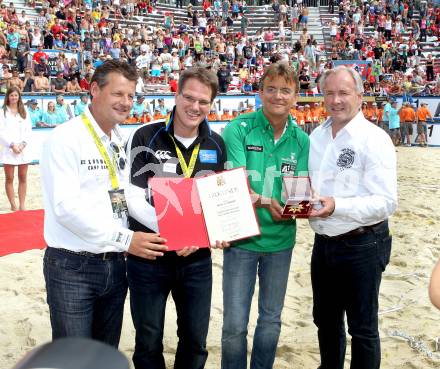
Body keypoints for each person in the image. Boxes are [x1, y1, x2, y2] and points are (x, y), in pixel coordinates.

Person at [40, 60, 166, 348]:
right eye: (118, 94)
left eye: (131, 96)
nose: (126, 103)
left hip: (115, 266)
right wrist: (127, 239)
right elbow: (65, 209)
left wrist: (171, 226)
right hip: (72, 267)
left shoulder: (119, 139)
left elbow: (127, 196)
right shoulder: (65, 138)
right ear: (94, 90)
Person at [125, 66, 228, 369]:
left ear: (212, 104)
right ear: (176, 94)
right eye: (189, 97)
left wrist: (203, 233)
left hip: (196, 259)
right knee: (148, 339)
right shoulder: (145, 135)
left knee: (195, 341)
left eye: (203, 101)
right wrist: (177, 231)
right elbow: (132, 197)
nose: (195, 107)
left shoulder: (216, 144)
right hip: (150, 255)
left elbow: (218, 202)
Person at [221, 61, 310, 369]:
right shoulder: (238, 128)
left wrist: (294, 209)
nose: (278, 96)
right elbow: (233, 185)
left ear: (296, 96)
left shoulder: (301, 140)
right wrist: (264, 199)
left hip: (280, 243)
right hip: (242, 240)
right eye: (271, 89)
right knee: (234, 324)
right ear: (260, 92)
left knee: (270, 320)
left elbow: (299, 196)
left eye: (286, 90)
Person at [308, 66, 397, 369]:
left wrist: (336, 206)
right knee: (326, 320)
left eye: (344, 93)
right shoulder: (317, 136)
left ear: (359, 96)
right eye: (329, 93)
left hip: (363, 244)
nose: (336, 100)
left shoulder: (375, 139)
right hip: (323, 243)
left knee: (362, 327)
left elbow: (385, 202)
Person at [0, 87, 32, 211]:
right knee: (9, 178)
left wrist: (22, 144)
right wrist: (12, 145)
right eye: (11, 95)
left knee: (23, 177)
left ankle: (22, 205)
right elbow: (1, 132)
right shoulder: (2, 112)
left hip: (23, 149)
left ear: (19, 97)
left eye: (16, 95)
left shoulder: (24, 111)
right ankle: (13, 205)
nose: (14, 98)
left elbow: (28, 131)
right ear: (7, 97)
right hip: (9, 149)